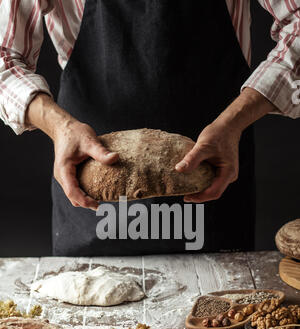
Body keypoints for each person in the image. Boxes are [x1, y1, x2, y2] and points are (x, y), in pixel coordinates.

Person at [0, 1, 299, 256]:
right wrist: (59, 126)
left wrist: (234, 121)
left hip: (214, 169)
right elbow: (4, 55)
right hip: (91, 179)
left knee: (220, 317)